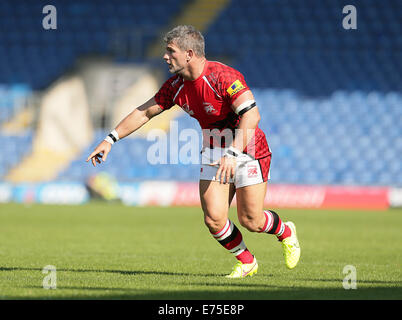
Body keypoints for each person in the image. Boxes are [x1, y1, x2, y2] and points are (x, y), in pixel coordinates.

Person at [86, 25, 300, 278]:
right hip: (213, 148)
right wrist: (111, 139)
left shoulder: (223, 76)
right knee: (214, 219)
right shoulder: (175, 85)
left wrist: (232, 153)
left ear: (188, 54)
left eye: (170, 51)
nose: (165, 56)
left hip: (248, 147)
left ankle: (285, 232)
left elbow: (252, 115)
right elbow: (145, 111)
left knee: (251, 220)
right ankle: (247, 261)